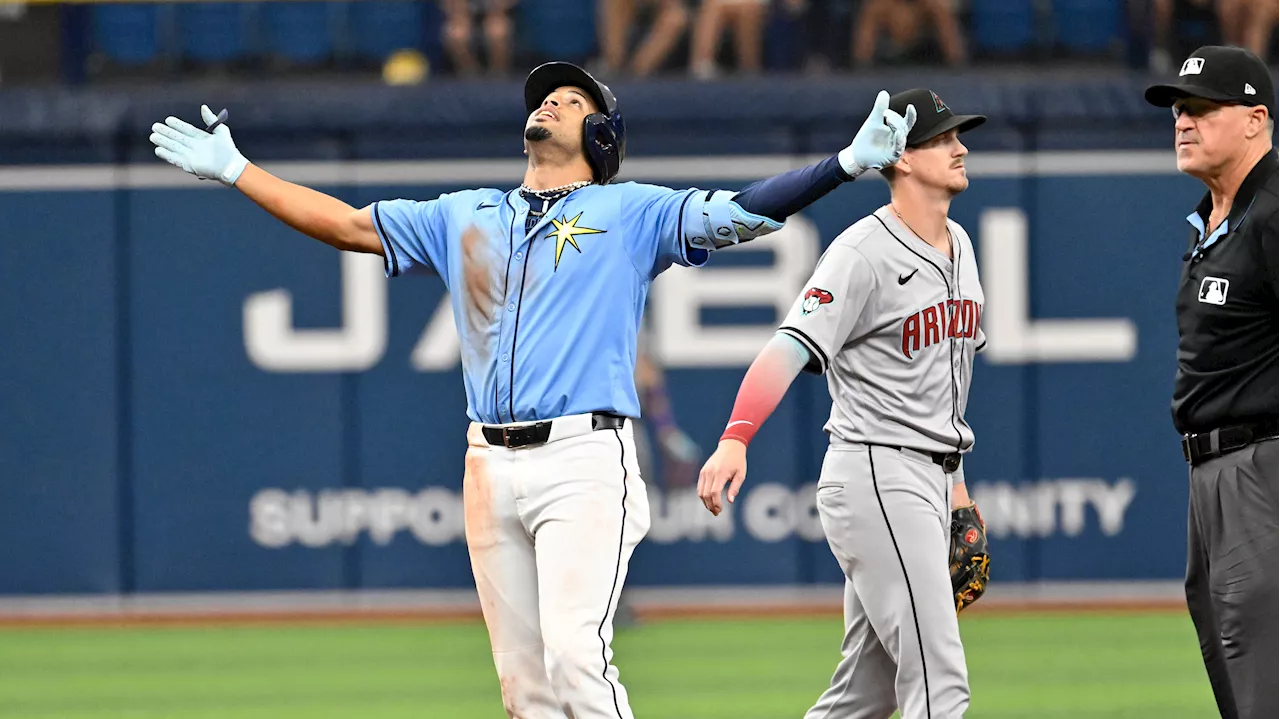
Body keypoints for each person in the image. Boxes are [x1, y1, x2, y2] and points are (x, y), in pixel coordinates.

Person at [148, 62, 914, 719]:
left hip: (584, 459)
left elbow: (743, 211)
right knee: (524, 691)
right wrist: (239, 171)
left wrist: (844, 164)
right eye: (545, 98)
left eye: (573, 101)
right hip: (489, 463)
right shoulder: (464, 213)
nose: (549, 103)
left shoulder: (631, 211)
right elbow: (349, 225)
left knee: (578, 660)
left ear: (603, 137)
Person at [698, 88, 990, 719]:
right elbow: (788, 347)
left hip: (931, 477)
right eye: (942, 139)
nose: (960, 147)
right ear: (904, 159)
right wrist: (735, 437)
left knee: (866, 695)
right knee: (941, 685)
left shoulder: (961, 246)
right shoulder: (861, 252)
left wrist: (959, 494)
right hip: (878, 473)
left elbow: (949, 384)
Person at [1145, 44, 1280, 719]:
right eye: (1178, 108)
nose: (1183, 120)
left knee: (1266, 681)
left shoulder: (1275, 214)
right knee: (1235, 674)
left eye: (1202, 107)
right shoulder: (1215, 219)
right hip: (1214, 476)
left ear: (1256, 119)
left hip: (1263, 470)